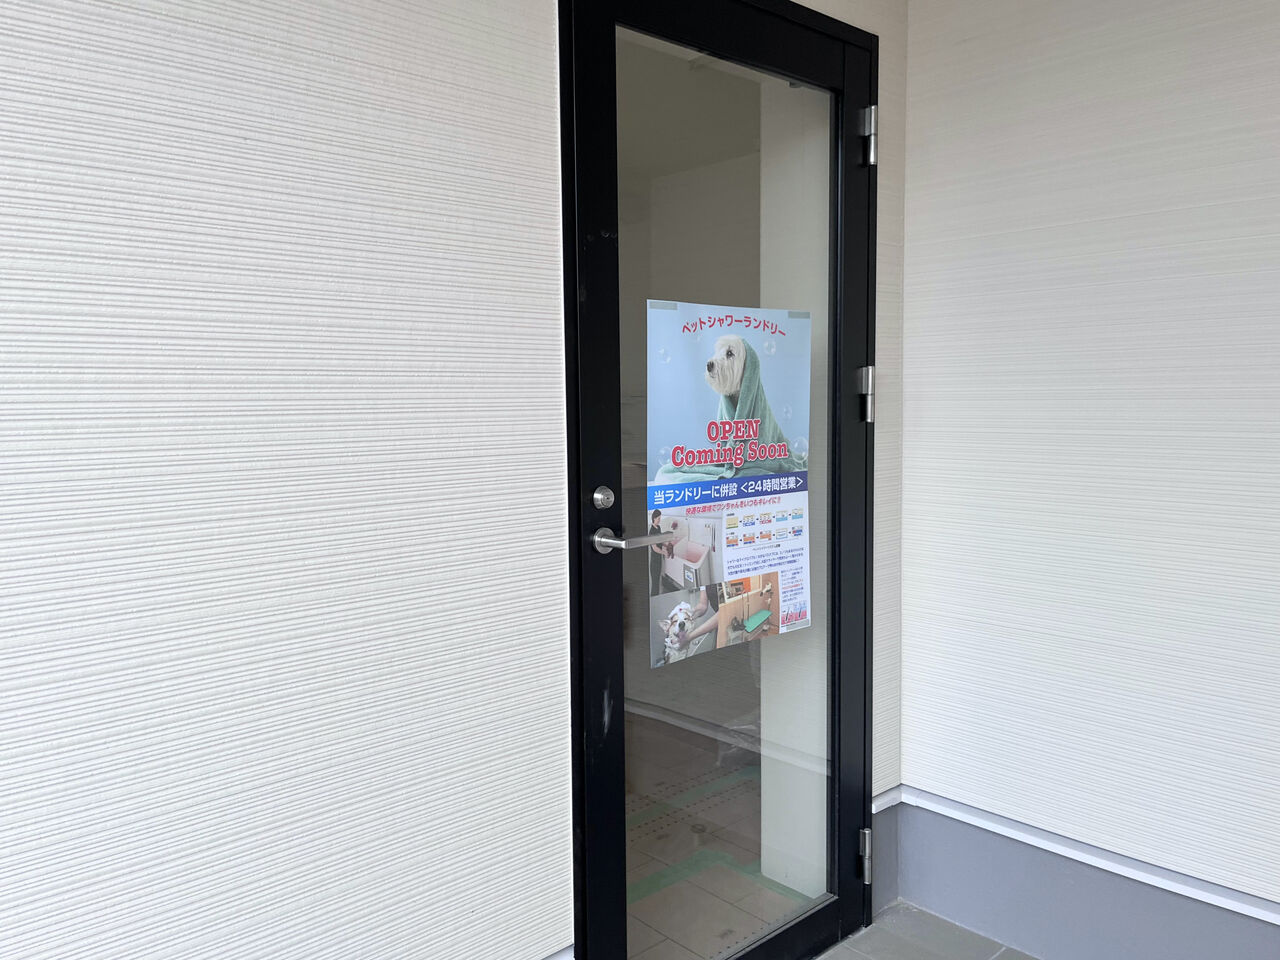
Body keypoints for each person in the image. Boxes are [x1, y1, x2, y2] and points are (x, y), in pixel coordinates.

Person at [648, 509, 664, 596]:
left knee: (658, 580)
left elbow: (661, 541)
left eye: (660, 518)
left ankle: (657, 597)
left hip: (659, 559)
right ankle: (653, 598)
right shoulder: (651, 531)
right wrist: (664, 553)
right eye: (658, 518)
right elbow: (654, 548)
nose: (659, 520)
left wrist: (667, 545)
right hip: (654, 561)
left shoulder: (659, 528)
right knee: (655, 583)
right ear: (654, 518)